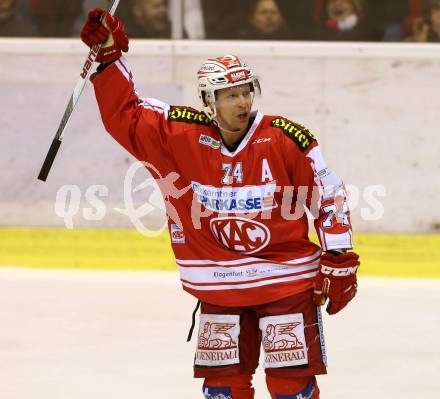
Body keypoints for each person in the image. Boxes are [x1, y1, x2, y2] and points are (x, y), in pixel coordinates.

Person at [80, 8, 361, 399]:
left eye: (247, 90)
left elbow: (328, 194)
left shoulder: (285, 138)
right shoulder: (180, 135)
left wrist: (340, 257)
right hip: (219, 285)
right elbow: (125, 116)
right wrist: (109, 58)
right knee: (223, 389)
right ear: (208, 101)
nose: (243, 101)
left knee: (291, 388)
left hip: (285, 282)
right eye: (231, 95)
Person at [313, 0, 381, 41]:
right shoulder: (316, 36)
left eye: (345, 1)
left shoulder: (368, 35)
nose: (337, 4)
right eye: (332, 1)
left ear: (355, 8)